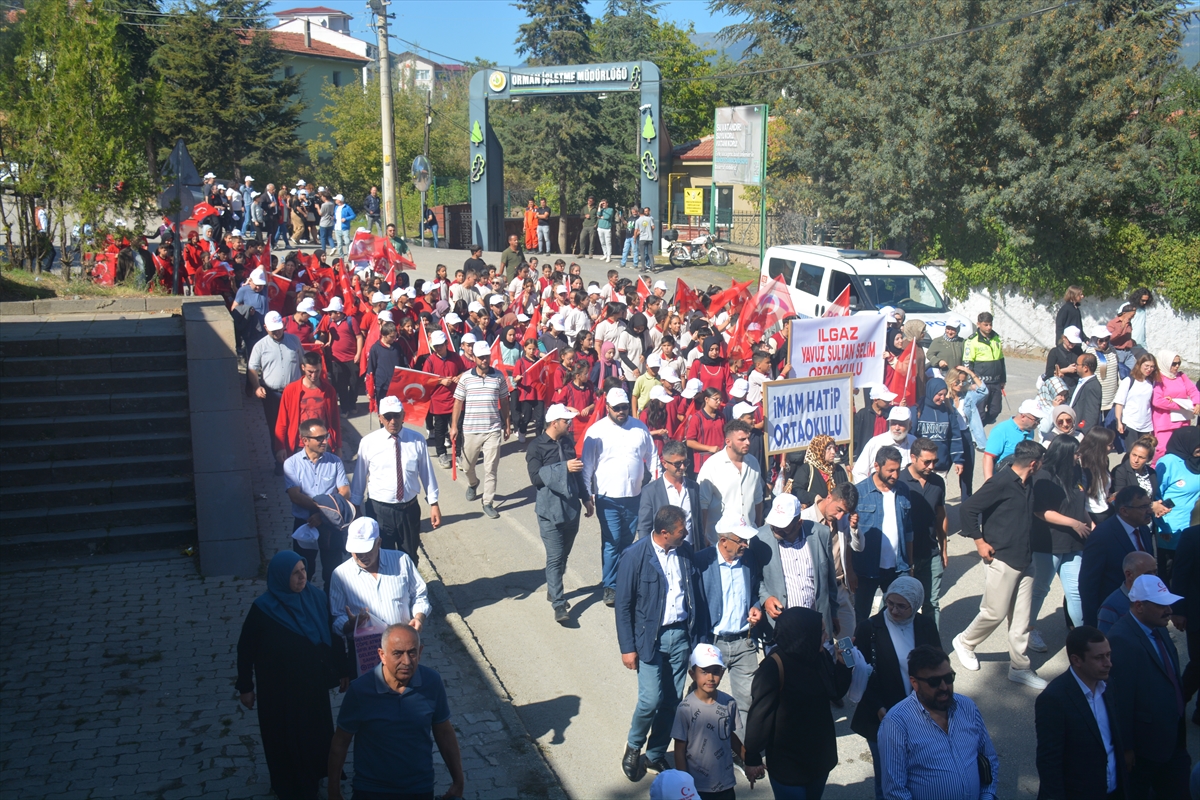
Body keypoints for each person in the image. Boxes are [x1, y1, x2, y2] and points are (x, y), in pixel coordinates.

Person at [236, 551, 344, 800]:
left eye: (303, 570)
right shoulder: (263, 610)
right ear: (281, 577)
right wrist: (245, 686)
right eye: (295, 573)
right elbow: (246, 649)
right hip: (278, 693)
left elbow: (332, 637)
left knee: (313, 735)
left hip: (311, 688)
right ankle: (287, 785)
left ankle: (314, 778)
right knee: (283, 738)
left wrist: (342, 670)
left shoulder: (315, 598)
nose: (302, 577)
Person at [616, 505, 707, 782]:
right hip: (649, 640)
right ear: (664, 533)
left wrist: (698, 643)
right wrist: (627, 648)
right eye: (682, 531)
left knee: (671, 700)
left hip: (680, 636)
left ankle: (655, 754)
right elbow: (623, 605)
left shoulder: (685, 552)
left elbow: (696, 597)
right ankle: (634, 746)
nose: (686, 534)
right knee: (650, 700)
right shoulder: (635, 556)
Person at [327, 624, 464, 800]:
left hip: (419, 788)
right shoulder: (360, 691)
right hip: (372, 790)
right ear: (382, 655)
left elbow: (444, 732)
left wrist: (458, 781)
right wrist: (333, 791)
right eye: (397, 653)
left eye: (412, 652)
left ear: (420, 651)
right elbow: (340, 743)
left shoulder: (432, 682)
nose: (406, 661)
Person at [953, 439, 1049, 689]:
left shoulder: (1028, 483)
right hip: (1002, 558)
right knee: (994, 613)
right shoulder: (1001, 481)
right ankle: (965, 642)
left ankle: (1019, 667)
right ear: (1034, 463)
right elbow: (969, 509)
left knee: (1021, 619)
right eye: (1041, 464)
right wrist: (979, 542)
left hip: (1025, 560)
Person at [743, 606, 852, 799]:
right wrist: (752, 758)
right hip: (788, 766)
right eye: (822, 632)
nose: (826, 637)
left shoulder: (819, 656)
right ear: (805, 633)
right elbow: (760, 716)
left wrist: (843, 666)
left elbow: (835, 692)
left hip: (819, 760)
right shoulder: (773, 667)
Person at [850, 577, 940, 800]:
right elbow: (861, 673)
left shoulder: (925, 625)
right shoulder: (869, 628)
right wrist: (878, 707)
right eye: (890, 603)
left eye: (902, 606)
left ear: (916, 604)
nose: (894, 610)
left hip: (921, 716)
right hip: (882, 716)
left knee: (918, 774)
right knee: (888, 781)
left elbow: (938, 666)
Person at [878, 645, 1000, 800]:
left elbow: (988, 758)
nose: (944, 687)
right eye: (934, 681)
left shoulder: (967, 707)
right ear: (914, 683)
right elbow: (895, 791)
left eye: (948, 678)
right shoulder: (896, 724)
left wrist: (987, 795)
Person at [1107, 574, 1190, 800]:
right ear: (1139, 605)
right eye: (1161, 605)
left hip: (1173, 740)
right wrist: (1126, 748)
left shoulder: (1159, 627)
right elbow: (1121, 700)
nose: (1169, 610)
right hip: (1146, 750)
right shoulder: (1121, 640)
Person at [583, 388, 659, 606]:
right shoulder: (596, 431)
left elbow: (652, 458)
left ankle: (624, 582)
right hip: (607, 498)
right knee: (612, 541)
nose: (621, 411)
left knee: (627, 542)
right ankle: (610, 586)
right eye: (616, 408)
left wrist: (654, 488)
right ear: (607, 407)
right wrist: (587, 495)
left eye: (624, 407)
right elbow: (587, 465)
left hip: (634, 497)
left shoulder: (640, 428)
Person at [1034, 626, 1125, 800]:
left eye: (1108, 655)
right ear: (1076, 660)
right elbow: (1049, 763)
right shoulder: (1054, 700)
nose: (1108, 663)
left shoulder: (1108, 685)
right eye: (1099, 657)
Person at [349, 396, 441, 566]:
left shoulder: (417, 440)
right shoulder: (369, 442)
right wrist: (355, 506)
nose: (393, 421)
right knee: (382, 557)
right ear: (380, 417)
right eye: (388, 416)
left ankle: (410, 590)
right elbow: (360, 476)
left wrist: (433, 503)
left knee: (410, 556)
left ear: (403, 415)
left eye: (397, 415)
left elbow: (426, 472)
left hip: (409, 509)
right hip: (380, 511)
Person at [695, 516, 762, 734]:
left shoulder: (748, 559)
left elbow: (754, 591)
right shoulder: (702, 562)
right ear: (724, 541)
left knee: (748, 700)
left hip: (744, 641)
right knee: (704, 700)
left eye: (746, 541)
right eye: (740, 540)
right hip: (714, 643)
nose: (745, 545)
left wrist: (755, 606)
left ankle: (741, 751)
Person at [527, 404, 593, 624]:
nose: (570, 423)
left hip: (571, 509)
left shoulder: (567, 442)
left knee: (563, 557)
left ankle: (553, 588)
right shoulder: (536, 447)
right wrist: (563, 467)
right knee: (555, 558)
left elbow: (578, 473)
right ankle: (558, 603)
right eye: (566, 421)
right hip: (549, 512)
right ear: (554, 423)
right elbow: (535, 478)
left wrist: (586, 498)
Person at [1027, 436, 1090, 654]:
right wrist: (1074, 523)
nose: (1078, 456)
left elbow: (1081, 504)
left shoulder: (1077, 473)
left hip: (1075, 543)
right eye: (1075, 452)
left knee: (1076, 591)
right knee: (1040, 589)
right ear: (1064, 453)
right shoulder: (1044, 476)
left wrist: (1088, 522)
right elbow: (1041, 511)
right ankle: (1028, 629)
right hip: (1049, 543)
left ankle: (1085, 636)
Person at [330, 517, 430, 652]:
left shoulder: (401, 561)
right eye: (356, 550)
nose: (361, 555)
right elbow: (337, 618)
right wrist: (350, 625)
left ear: (379, 543)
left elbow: (419, 594)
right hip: (365, 650)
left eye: (366, 550)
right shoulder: (340, 575)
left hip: (402, 645)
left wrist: (419, 618)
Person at [752, 493, 840, 641]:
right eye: (774, 524)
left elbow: (829, 581)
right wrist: (766, 599)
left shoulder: (821, 534)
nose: (775, 529)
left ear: (799, 523)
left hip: (816, 626)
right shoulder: (759, 538)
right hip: (780, 628)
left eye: (782, 527)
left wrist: (834, 614)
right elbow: (755, 579)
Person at [671, 644, 754, 798]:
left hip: (726, 784)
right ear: (692, 674)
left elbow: (731, 737)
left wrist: (750, 760)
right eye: (704, 672)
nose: (710, 677)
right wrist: (684, 784)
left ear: (722, 673)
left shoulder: (729, 703)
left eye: (716, 672)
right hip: (697, 788)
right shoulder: (685, 709)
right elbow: (679, 750)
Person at [850, 446, 914, 625]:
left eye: (898, 470)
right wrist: (850, 570)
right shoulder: (859, 493)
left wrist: (909, 563)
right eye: (890, 470)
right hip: (866, 570)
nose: (895, 475)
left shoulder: (903, 491)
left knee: (896, 614)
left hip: (898, 568)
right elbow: (848, 536)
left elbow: (908, 530)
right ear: (877, 466)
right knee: (861, 616)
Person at [283, 419, 351, 585]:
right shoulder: (291, 464)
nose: (325, 441)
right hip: (304, 524)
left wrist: (322, 515)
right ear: (305, 440)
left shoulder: (335, 461)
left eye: (326, 436)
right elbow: (295, 496)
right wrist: (325, 509)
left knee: (333, 572)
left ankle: (332, 608)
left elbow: (345, 492)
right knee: (303, 571)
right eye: (319, 438)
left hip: (330, 524)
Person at [452, 340, 512, 520]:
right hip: (470, 430)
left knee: (491, 468)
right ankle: (473, 483)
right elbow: (457, 402)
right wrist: (454, 426)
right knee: (467, 466)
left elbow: (505, 402)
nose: (485, 360)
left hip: (492, 430)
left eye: (487, 357)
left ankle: (488, 501)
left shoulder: (499, 377)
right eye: (481, 357)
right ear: (475, 358)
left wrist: (507, 424)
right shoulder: (466, 378)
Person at [1079, 485, 1156, 627]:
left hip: (1142, 610)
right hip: (1116, 614)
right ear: (1124, 511)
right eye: (1143, 507)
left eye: (1149, 505)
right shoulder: (1102, 536)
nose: (1149, 511)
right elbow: (1088, 583)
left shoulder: (1143, 530)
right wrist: (1091, 624)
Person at [900, 439, 949, 628]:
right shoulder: (900, 481)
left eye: (934, 462)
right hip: (904, 556)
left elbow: (941, 516)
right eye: (926, 462)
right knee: (897, 601)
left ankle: (931, 646)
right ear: (913, 458)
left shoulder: (938, 482)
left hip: (931, 553)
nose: (931, 466)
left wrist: (944, 549)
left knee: (932, 603)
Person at [248, 311, 304, 473]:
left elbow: (303, 363)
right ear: (265, 328)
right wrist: (257, 386)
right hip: (273, 395)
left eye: (279, 329)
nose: (277, 332)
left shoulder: (294, 341)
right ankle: (280, 462)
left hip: (294, 393)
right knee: (276, 429)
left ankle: (296, 460)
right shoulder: (260, 346)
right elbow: (252, 369)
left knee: (296, 426)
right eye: (273, 330)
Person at [697, 420, 762, 546]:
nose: (747, 443)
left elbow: (758, 499)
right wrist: (703, 536)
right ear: (728, 442)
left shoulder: (753, 462)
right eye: (742, 439)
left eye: (748, 438)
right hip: (721, 542)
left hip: (749, 539)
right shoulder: (712, 465)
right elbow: (702, 505)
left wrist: (758, 528)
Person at [275, 352, 341, 464]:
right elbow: (282, 421)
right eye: (310, 372)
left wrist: (338, 446)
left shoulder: (329, 391)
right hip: (298, 445)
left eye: (317, 371)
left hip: (322, 444)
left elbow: (335, 420)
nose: (314, 376)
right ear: (303, 367)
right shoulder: (291, 390)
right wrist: (280, 447)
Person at [638, 439, 703, 546]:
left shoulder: (693, 487)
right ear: (664, 463)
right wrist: (647, 553)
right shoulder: (650, 491)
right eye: (677, 464)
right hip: (664, 553)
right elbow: (644, 527)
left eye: (686, 462)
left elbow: (698, 523)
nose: (682, 467)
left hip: (690, 551)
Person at [1155, 426, 1200, 578]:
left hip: (1192, 529)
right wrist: (1163, 527)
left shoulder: (1196, 462)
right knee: (1169, 575)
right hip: (1170, 533)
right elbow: (1155, 497)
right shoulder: (1169, 463)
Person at [423, 331, 466, 469]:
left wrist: (459, 376)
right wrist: (440, 381)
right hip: (438, 401)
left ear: (446, 344)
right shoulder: (430, 361)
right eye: (435, 346)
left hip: (455, 400)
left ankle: (459, 454)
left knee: (458, 428)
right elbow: (424, 380)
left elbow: (464, 371)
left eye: (440, 345)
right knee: (440, 429)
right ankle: (442, 453)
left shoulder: (455, 357)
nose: (438, 349)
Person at [1151, 350, 1199, 462]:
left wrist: (1197, 403)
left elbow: (1193, 390)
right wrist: (1179, 404)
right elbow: (1157, 401)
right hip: (1164, 422)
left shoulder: (1181, 376)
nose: (1177, 366)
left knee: (1183, 450)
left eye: (1179, 363)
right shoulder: (1158, 378)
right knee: (1162, 450)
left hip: (1182, 420)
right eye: (1174, 364)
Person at [913, 377, 965, 476]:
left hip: (941, 465)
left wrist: (958, 460)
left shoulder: (948, 411)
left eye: (944, 395)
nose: (942, 398)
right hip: (921, 465)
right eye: (939, 394)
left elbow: (955, 436)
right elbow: (911, 436)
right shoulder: (918, 410)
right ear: (931, 391)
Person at [1097, 550, 1158, 633]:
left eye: (1155, 572)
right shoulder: (1110, 609)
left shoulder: (1156, 596)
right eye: (1148, 574)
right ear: (1129, 575)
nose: (1154, 578)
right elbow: (1107, 643)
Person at [963, 311, 1007, 426]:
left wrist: (1003, 379)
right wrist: (971, 382)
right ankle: (977, 437)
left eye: (990, 324)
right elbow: (967, 363)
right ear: (979, 324)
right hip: (981, 382)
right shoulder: (972, 340)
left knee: (995, 410)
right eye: (986, 324)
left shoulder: (996, 337)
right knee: (980, 413)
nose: (989, 327)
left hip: (996, 381)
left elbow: (1001, 360)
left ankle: (979, 428)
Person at [321, 297, 363, 415]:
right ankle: (344, 408)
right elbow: (331, 333)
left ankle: (352, 403)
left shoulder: (351, 321)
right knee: (341, 385)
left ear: (338, 313)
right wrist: (330, 341)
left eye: (331, 313)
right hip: (336, 359)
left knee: (354, 383)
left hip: (351, 359)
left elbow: (359, 337)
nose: (329, 315)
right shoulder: (330, 322)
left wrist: (358, 354)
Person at [981, 399, 1043, 480]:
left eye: (1039, 420)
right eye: (1036, 420)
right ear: (1023, 416)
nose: (1038, 423)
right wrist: (989, 483)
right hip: (1003, 479)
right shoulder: (1001, 430)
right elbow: (988, 457)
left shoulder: (1030, 430)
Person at [786, 433, 852, 508]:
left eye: (834, 448)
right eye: (829, 448)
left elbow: (847, 492)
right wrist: (814, 497)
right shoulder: (807, 469)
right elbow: (796, 491)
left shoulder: (838, 470)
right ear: (819, 450)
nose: (833, 452)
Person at [853, 407, 915, 482]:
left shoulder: (914, 442)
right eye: (893, 423)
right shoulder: (876, 443)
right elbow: (858, 472)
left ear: (910, 424)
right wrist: (870, 491)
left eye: (901, 424)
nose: (897, 428)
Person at [1113, 353, 1158, 451]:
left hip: (1146, 425)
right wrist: (1119, 422)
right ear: (1140, 364)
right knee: (1131, 453)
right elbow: (1119, 403)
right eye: (1146, 366)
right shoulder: (1128, 381)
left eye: (1152, 367)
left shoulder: (1152, 382)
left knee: (1144, 453)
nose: (1149, 369)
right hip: (1130, 423)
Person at [854, 386, 898, 459]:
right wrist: (846, 461)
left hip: (888, 455)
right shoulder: (862, 415)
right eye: (885, 400)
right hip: (869, 455)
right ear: (875, 400)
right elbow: (854, 438)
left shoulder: (892, 412)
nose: (888, 402)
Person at [1046, 325, 1085, 394]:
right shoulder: (1055, 352)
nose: (1073, 344)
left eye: (1074, 342)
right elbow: (1049, 373)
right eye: (1070, 341)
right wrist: (1066, 370)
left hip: (1075, 385)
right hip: (1060, 386)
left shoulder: (1078, 350)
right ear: (1064, 338)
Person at [1068, 353, 1102, 433]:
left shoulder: (1092, 386)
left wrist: (1082, 430)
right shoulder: (1083, 381)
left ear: (1085, 368)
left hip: (1080, 431)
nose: (1075, 366)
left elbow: (1091, 414)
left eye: (1077, 364)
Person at [635, 206, 656, 271]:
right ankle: (652, 266)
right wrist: (649, 231)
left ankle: (643, 267)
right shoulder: (649, 219)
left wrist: (635, 238)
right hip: (649, 238)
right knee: (650, 253)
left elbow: (636, 230)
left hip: (642, 238)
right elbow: (653, 227)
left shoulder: (638, 220)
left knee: (642, 253)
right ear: (644, 212)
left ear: (638, 213)